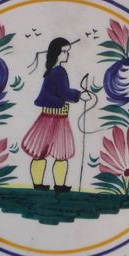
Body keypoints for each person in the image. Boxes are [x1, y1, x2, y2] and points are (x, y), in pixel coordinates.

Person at [21, 37, 88, 192]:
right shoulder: (58, 72)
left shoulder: (52, 71)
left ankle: (40, 185)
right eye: (64, 52)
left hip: (50, 117)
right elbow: (64, 93)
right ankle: (58, 185)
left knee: (42, 152)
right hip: (54, 118)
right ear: (56, 53)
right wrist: (80, 95)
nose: (67, 54)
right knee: (60, 153)